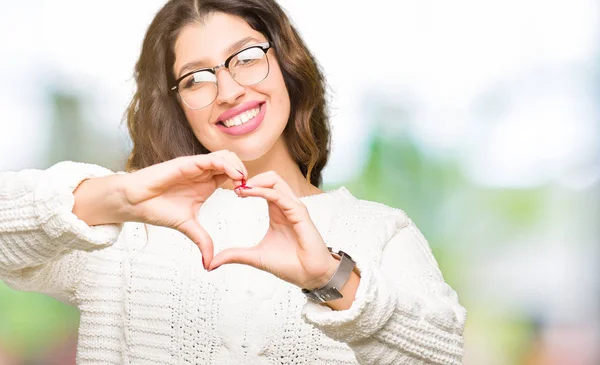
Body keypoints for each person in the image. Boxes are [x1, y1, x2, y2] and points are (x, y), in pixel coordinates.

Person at [0, 0, 466, 364]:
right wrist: (117, 195)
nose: (228, 92)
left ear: (285, 62)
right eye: (196, 78)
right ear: (177, 103)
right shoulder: (125, 224)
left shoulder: (383, 232)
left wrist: (328, 276)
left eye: (244, 58)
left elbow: (440, 356)